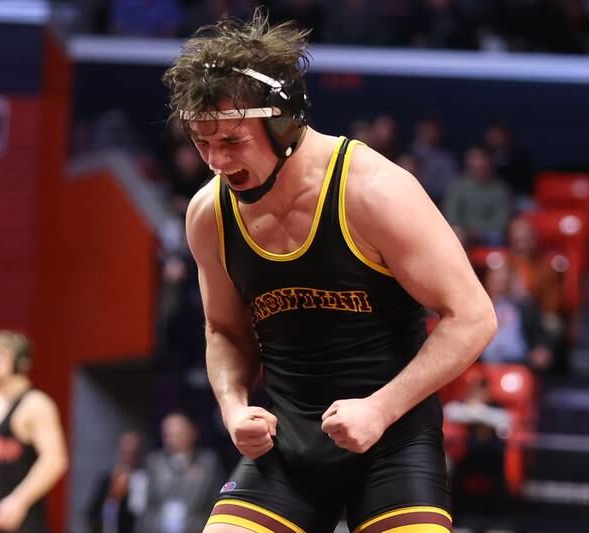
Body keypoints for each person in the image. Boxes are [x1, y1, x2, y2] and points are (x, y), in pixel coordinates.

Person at [162, 10, 497, 532]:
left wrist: (380, 410)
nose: (215, 162)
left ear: (282, 122)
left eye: (231, 141)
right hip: (287, 445)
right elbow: (223, 330)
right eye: (202, 142)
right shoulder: (210, 215)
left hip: (392, 439)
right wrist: (232, 407)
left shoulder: (373, 190)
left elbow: (473, 317)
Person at [0, 331, 68, 533]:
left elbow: (55, 460)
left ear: (20, 363)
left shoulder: (36, 404)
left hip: (23, 515)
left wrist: (19, 500)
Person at [137, 412, 225, 533]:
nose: (172, 439)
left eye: (178, 434)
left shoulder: (208, 462)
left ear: (192, 432)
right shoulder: (154, 462)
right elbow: (144, 505)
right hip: (159, 527)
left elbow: (216, 501)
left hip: (197, 527)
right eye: (167, 434)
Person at [86, 431, 147, 533]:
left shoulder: (144, 480)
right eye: (125, 452)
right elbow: (93, 512)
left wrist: (130, 491)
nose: (128, 457)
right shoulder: (107, 478)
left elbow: (141, 514)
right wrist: (113, 495)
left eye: (133, 453)